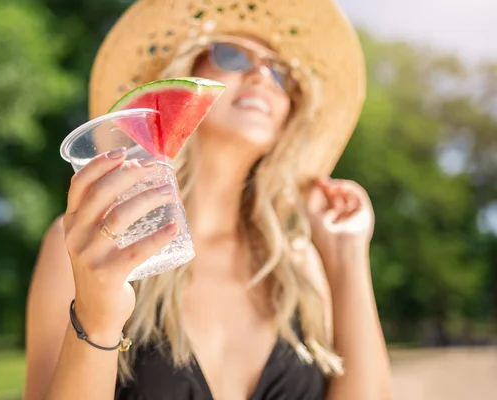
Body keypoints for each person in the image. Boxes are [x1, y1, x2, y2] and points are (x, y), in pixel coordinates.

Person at [24, 0, 392, 399]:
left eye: (281, 74)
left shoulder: (299, 265)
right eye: (231, 54)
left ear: (290, 114)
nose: (261, 75)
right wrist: (96, 319)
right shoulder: (89, 247)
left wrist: (349, 256)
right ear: (184, 75)